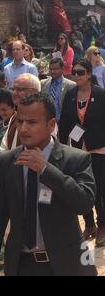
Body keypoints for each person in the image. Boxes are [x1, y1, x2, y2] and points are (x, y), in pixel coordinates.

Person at [0, 93, 97, 276]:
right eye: (20, 121)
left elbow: (83, 202)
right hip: (22, 264)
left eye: (32, 122)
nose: (23, 129)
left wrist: (46, 170)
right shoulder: (7, 161)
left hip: (65, 263)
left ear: (51, 125)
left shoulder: (75, 159)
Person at [59, 59, 105, 247]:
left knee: (100, 190)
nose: (76, 76)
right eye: (74, 72)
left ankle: (103, 226)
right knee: (81, 187)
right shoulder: (70, 95)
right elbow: (65, 123)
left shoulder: (101, 95)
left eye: (80, 73)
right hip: (78, 149)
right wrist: (61, 146)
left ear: (88, 74)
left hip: (99, 148)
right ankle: (89, 224)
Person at [0, 73, 41, 152]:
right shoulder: (14, 118)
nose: (14, 93)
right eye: (13, 89)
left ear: (35, 92)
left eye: (19, 89)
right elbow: (4, 148)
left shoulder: (43, 119)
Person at [41, 58, 75, 122]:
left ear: (62, 69)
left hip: (62, 121)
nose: (52, 71)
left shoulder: (70, 85)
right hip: (46, 121)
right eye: (51, 69)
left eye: (55, 69)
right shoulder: (43, 83)